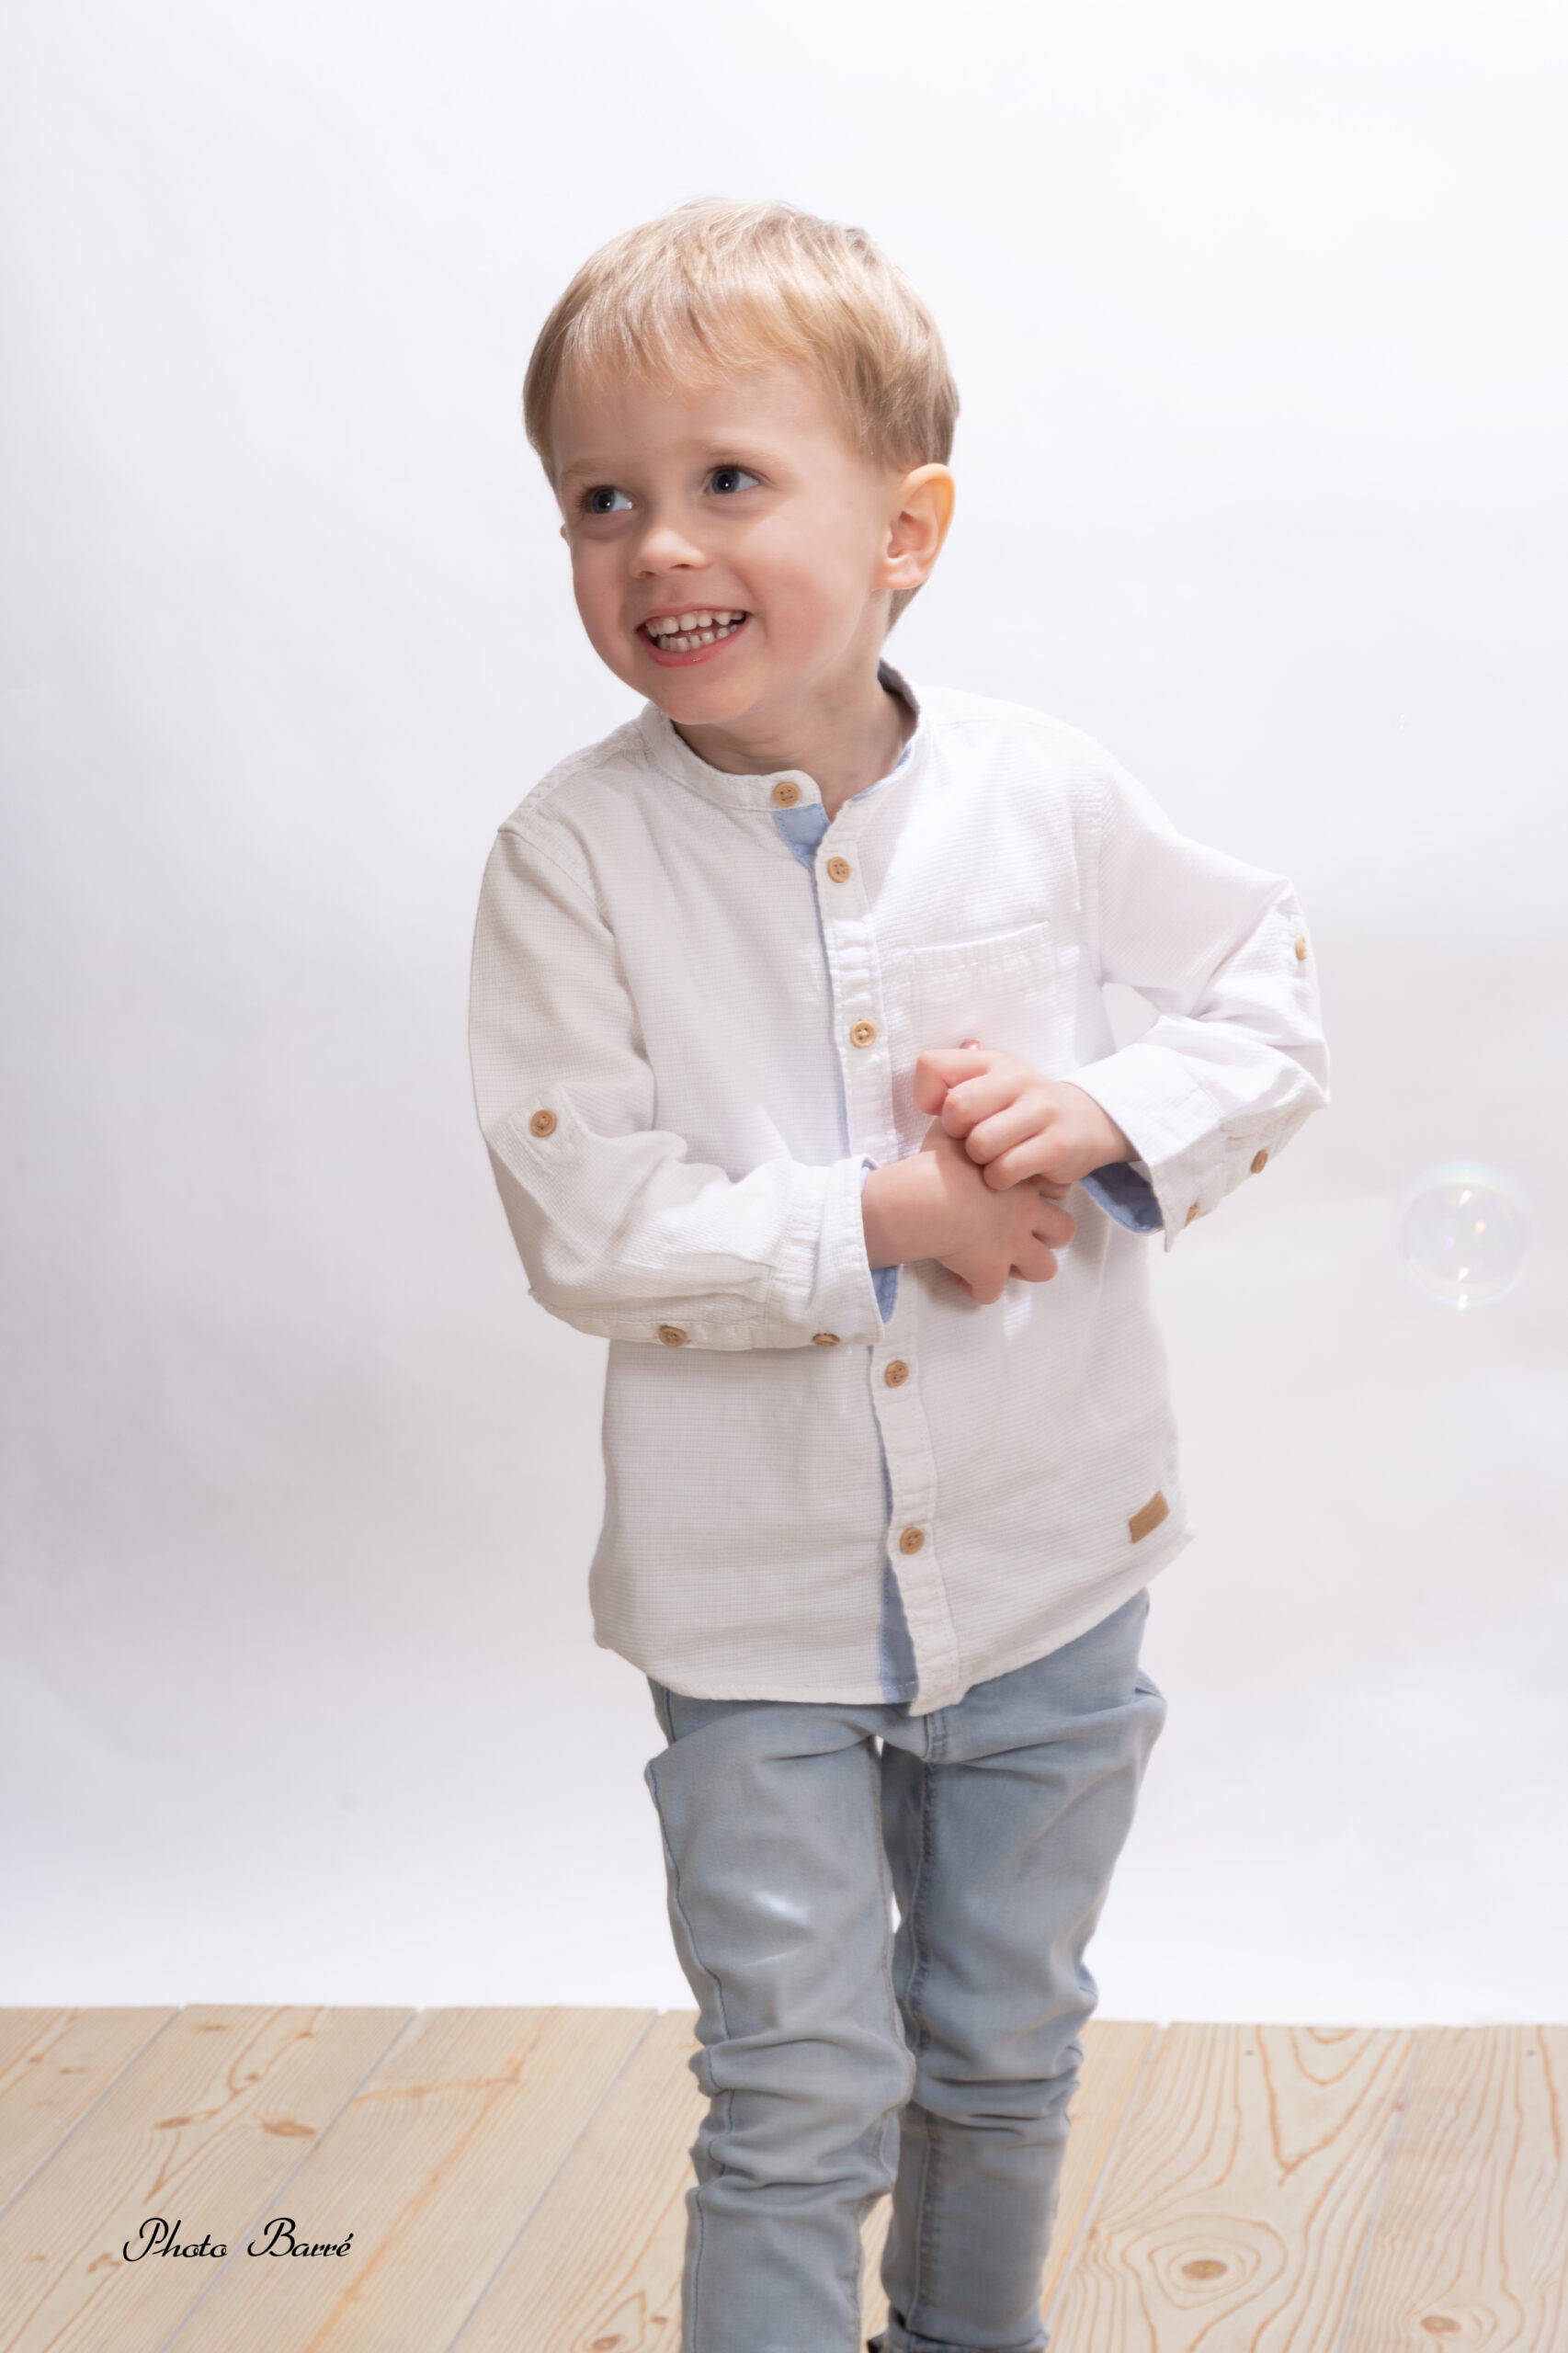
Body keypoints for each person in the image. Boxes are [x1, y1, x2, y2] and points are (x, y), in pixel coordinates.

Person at [467, 198, 1328, 2353]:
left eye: (725, 479)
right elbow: (587, 1220)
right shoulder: (570, 858)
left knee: (1002, 2045)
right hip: (749, 1608)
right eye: (599, 499)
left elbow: (1264, 989)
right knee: (792, 2083)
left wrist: (1104, 1108)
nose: (657, 545)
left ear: (906, 529)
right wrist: (892, 1215)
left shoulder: (1043, 791)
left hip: (1051, 1565)